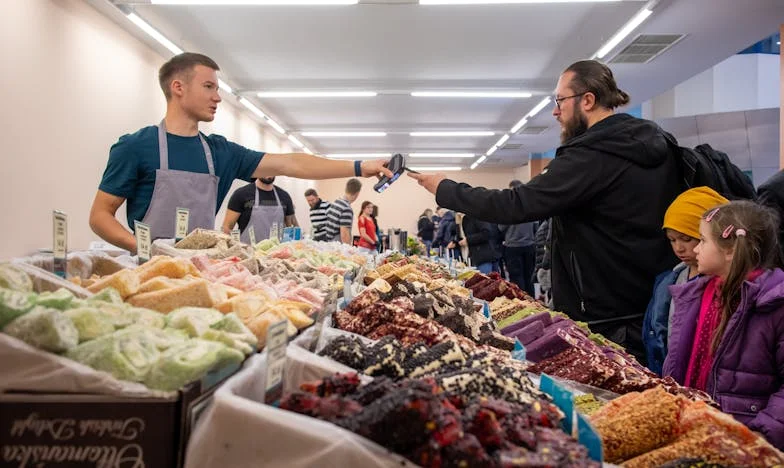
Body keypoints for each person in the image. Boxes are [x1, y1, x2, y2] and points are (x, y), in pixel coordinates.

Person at [410, 59, 683, 360]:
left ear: (588, 100)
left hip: (609, 319)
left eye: (560, 101)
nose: (555, 111)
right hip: (653, 306)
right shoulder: (658, 146)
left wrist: (445, 188)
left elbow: (515, 204)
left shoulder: (592, 155)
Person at [90, 53, 391, 252]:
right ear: (178, 87)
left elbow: (292, 164)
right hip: (145, 269)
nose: (217, 97)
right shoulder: (135, 147)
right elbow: (100, 215)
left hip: (200, 267)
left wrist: (358, 166)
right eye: (208, 86)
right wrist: (144, 249)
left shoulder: (220, 152)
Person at [663, 201, 784, 450]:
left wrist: (758, 437)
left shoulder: (775, 305)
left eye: (703, 241)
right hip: (698, 432)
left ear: (730, 251)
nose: (696, 248)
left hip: (747, 441)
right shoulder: (696, 295)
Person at [642, 187, 728, 375]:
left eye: (687, 239)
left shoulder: (725, 287)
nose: (679, 248)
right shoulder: (669, 281)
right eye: (672, 240)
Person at [222, 177, 296, 243]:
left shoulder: (284, 196)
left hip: (277, 255)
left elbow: (292, 227)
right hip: (249, 253)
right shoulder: (241, 194)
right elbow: (227, 227)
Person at [499, 181, 538, 295]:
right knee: (529, 276)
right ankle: (532, 303)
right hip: (530, 246)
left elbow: (501, 227)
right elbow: (536, 227)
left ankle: (521, 302)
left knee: (516, 278)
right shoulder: (531, 206)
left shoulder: (509, 208)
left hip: (513, 247)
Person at [325, 178, 362, 244]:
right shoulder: (346, 208)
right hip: (338, 247)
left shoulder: (336, 202)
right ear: (357, 193)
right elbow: (344, 235)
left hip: (329, 243)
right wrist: (348, 250)